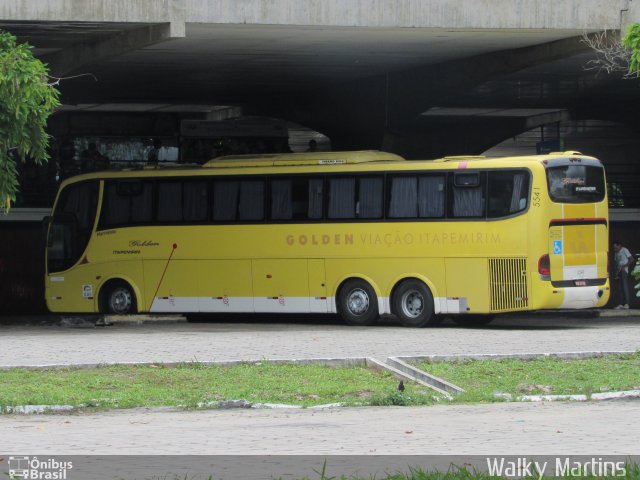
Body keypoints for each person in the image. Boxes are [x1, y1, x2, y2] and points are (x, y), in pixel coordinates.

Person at [613, 240, 634, 309]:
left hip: (624, 270)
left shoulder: (624, 250)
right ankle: (621, 304)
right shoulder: (616, 253)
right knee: (620, 288)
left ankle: (627, 303)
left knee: (625, 287)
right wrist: (616, 273)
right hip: (619, 271)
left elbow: (631, 259)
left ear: (619, 245)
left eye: (616, 247)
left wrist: (624, 266)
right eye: (614, 248)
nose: (615, 249)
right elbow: (616, 263)